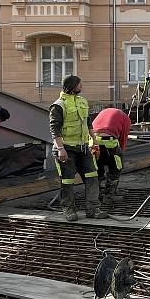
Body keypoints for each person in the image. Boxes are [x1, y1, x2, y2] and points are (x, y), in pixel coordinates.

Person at [49, 75, 107, 221]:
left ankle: (93, 209)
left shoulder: (82, 101)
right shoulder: (58, 105)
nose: (81, 86)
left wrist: (94, 141)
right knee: (68, 180)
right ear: (72, 85)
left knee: (92, 176)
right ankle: (69, 210)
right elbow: (55, 129)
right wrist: (60, 149)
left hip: (83, 147)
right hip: (67, 148)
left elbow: (88, 124)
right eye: (79, 84)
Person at [91, 107, 132, 207]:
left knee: (98, 171)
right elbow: (123, 138)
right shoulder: (125, 118)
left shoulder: (102, 112)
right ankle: (108, 197)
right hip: (110, 143)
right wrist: (120, 153)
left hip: (94, 143)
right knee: (115, 170)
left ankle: (97, 196)